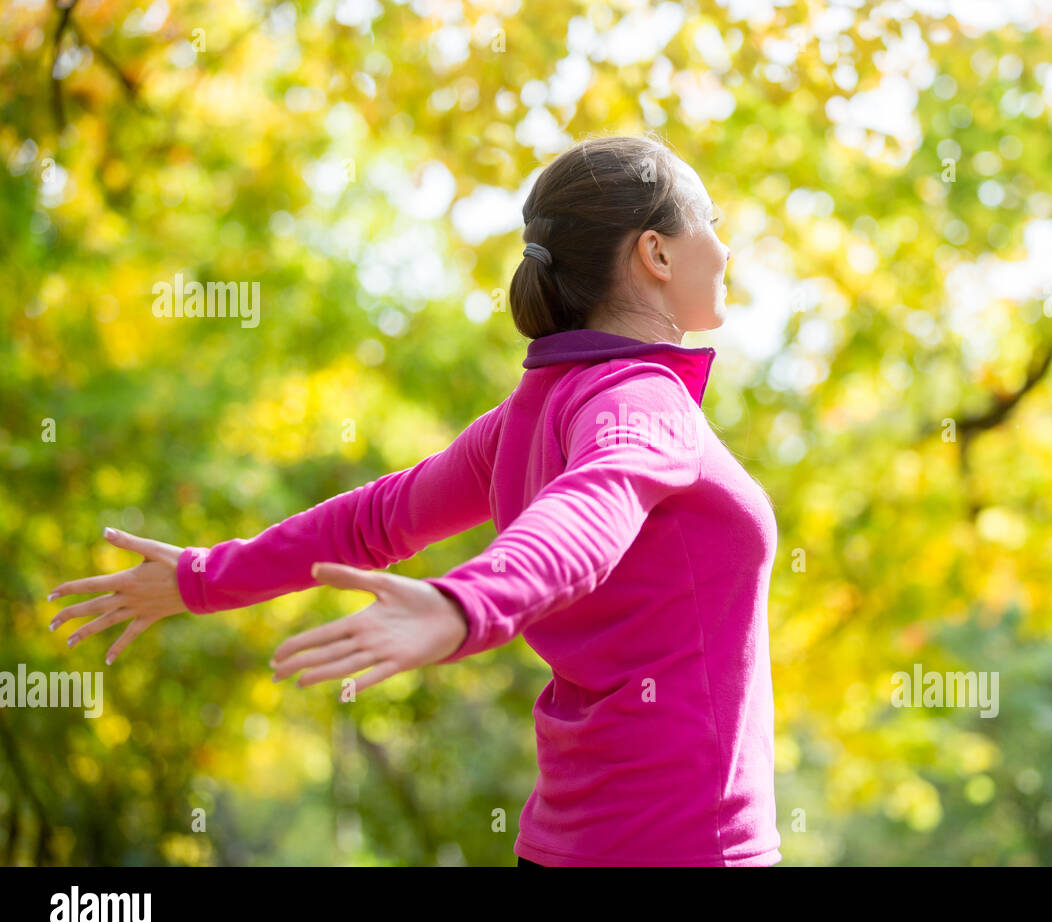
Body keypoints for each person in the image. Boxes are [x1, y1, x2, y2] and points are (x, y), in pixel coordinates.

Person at [48, 133, 781, 867]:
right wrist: (466, 603)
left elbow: (376, 520)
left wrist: (202, 578)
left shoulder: (535, 411)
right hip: (685, 845)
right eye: (709, 221)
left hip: (566, 843)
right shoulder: (644, 399)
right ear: (656, 253)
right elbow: (593, 505)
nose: (723, 247)